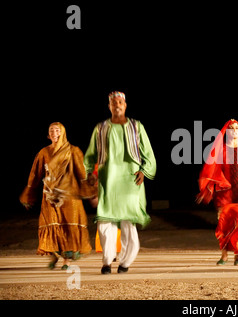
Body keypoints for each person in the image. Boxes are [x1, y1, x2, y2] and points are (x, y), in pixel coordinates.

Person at [84, 91, 156, 274]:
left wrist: (144, 170)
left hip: (130, 180)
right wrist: (89, 175)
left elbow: (148, 153)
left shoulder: (136, 126)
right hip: (107, 180)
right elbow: (90, 155)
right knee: (105, 221)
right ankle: (107, 261)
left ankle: (125, 262)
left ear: (125, 105)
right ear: (109, 106)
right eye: (114, 102)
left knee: (127, 222)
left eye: (120, 102)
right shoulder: (100, 128)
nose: (117, 104)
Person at [20, 122, 95, 269]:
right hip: (50, 194)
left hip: (69, 195)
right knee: (53, 224)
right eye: (51, 130)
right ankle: (55, 255)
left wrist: (90, 191)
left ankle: (66, 260)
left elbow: (81, 173)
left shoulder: (73, 151)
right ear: (48, 135)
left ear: (62, 133)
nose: (54, 133)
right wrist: (28, 193)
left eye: (57, 130)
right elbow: (35, 174)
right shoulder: (44, 152)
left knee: (68, 226)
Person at [197, 119, 238, 265]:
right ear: (226, 132)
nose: (234, 131)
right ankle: (224, 255)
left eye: (236, 128)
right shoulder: (221, 149)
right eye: (231, 128)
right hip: (226, 191)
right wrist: (210, 186)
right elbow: (213, 169)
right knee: (225, 223)